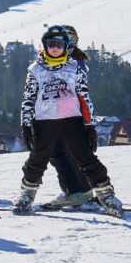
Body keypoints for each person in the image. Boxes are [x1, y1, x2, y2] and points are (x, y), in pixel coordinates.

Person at [15, 27, 124, 215]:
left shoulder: (74, 68)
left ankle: (106, 194)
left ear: (66, 47)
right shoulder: (35, 70)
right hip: (44, 123)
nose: (55, 48)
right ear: (45, 46)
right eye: (51, 45)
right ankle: (26, 195)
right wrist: (26, 124)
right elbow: (28, 99)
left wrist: (89, 125)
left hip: (72, 122)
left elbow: (84, 97)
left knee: (86, 158)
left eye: (59, 45)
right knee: (37, 160)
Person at [44, 24, 94, 208]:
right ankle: (83, 192)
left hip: (66, 116)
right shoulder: (71, 61)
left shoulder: (71, 63)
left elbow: (79, 94)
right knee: (70, 154)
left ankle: (73, 192)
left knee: (59, 154)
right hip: (65, 115)